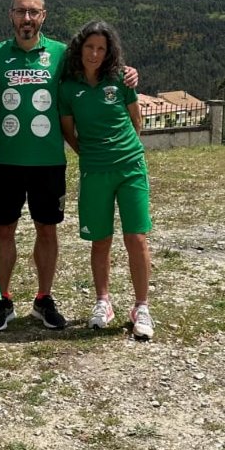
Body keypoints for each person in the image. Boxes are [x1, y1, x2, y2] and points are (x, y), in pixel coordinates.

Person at [0, 0, 137, 333]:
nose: (27, 19)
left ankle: (43, 298)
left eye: (33, 13)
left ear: (44, 16)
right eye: (21, 12)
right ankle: (2, 299)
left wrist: (127, 73)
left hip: (49, 161)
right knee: (4, 230)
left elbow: (96, 72)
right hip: (7, 160)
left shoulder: (61, 54)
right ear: (11, 15)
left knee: (47, 230)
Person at [59, 20, 154, 340]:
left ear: (109, 51)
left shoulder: (120, 78)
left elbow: (135, 120)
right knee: (100, 240)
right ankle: (103, 302)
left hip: (130, 167)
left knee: (137, 238)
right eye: (90, 47)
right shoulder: (69, 86)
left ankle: (141, 306)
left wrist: (127, 152)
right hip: (94, 171)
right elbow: (67, 130)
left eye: (101, 48)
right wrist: (88, 155)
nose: (95, 53)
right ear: (79, 48)